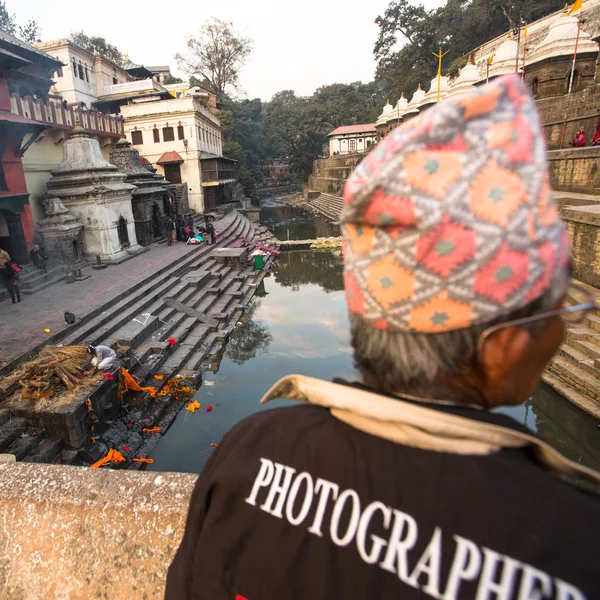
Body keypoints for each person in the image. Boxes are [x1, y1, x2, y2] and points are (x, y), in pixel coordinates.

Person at [166, 76, 600, 599]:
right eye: (562, 308)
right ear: (500, 346)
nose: (563, 328)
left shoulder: (249, 449)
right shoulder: (570, 547)